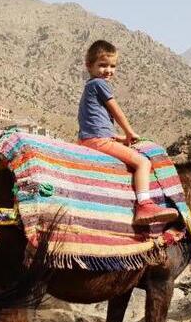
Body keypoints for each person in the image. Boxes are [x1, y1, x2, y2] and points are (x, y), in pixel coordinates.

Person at [77, 39, 179, 225]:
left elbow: (96, 122)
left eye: (112, 66)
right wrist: (130, 132)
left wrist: (120, 138)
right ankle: (144, 205)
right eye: (102, 65)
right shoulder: (99, 84)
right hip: (98, 140)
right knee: (142, 162)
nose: (108, 70)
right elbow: (116, 110)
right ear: (89, 66)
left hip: (92, 138)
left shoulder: (90, 86)